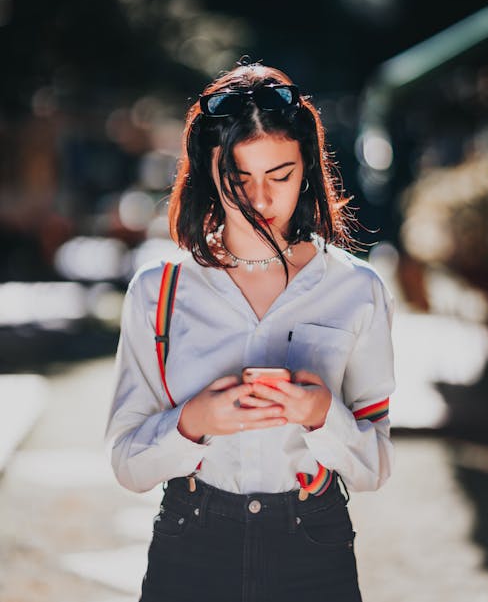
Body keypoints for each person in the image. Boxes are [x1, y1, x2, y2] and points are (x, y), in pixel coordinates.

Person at [104, 60, 395, 602]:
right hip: (190, 543)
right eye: (238, 179)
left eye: (279, 176)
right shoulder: (158, 290)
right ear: (207, 171)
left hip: (315, 543)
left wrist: (319, 415)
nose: (259, 200)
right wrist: (193, 422)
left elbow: (374, 466)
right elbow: (128, 464)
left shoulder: (357, 289)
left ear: (307, 167)